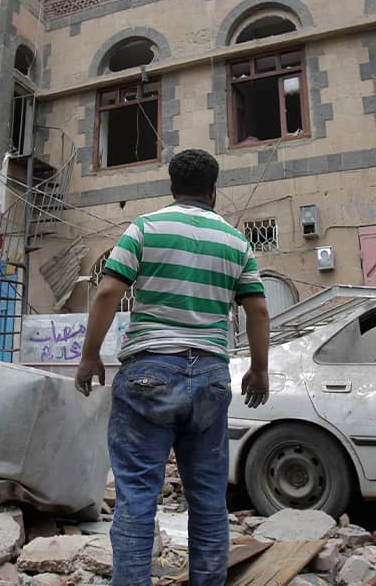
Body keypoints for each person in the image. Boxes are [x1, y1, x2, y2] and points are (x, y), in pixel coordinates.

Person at [74, 149, 271, 586]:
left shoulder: (145, 227)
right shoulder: (236, 241)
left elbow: (107, 293)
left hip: (148, 373)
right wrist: (259, 368)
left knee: (137, 498)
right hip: (210, 377)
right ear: (214, 191)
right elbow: (257, 307)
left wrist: (90, 356)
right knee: (207, 499)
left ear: (172, 187)